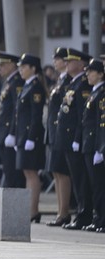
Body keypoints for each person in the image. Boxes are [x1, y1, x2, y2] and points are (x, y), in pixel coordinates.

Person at [56, 49, 93, 230]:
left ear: (81, 64)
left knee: (81, 179)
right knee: (77, 178)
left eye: (71, 61)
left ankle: (84, 215)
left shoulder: (82, 84)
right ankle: (81, 213)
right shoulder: (73, 83)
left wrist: (77, 138)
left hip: (75, 140)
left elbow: (81, 116)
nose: (67, 63)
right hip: (68, 139)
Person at [9, 54, 46, 222]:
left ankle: (33, 211)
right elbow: (19, 115)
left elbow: (35, 116)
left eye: (24, 67)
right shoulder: (26, 86)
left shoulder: (36, 87)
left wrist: (31, 138)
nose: (20, 70)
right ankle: (30, 210)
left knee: (31, 173)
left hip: (31, 138)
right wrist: (16, 135)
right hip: (23, 137)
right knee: (27, 173)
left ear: (33, 68)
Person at [46, 47, 73, 226]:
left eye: (59, 59)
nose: (55, 62)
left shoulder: (68, 82)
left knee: (62, 172)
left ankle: (64, 212)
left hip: (63, 134)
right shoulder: (59, 81)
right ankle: (60, 211)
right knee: (56, 172)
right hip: (55, 133)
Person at [0, 51, 25, 188]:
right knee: (8, 170)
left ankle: (16, 206)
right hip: (3, 133)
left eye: (2, 65)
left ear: (12, 65)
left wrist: (12, 133)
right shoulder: (8, 82)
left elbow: (16, 110)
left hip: (9, 133)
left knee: (13, 173)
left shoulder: (16, 83)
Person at [80, 58, 105, 231]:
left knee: (99, 186)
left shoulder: (102, 93)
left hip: (96, 145)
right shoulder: (94, 92)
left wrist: (100, 148)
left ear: (101, 74)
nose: (87, 74)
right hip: (89, 144)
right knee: (94, 185)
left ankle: (102, 220)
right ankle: (98, 219)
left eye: (91, 71)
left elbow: (101, 123)